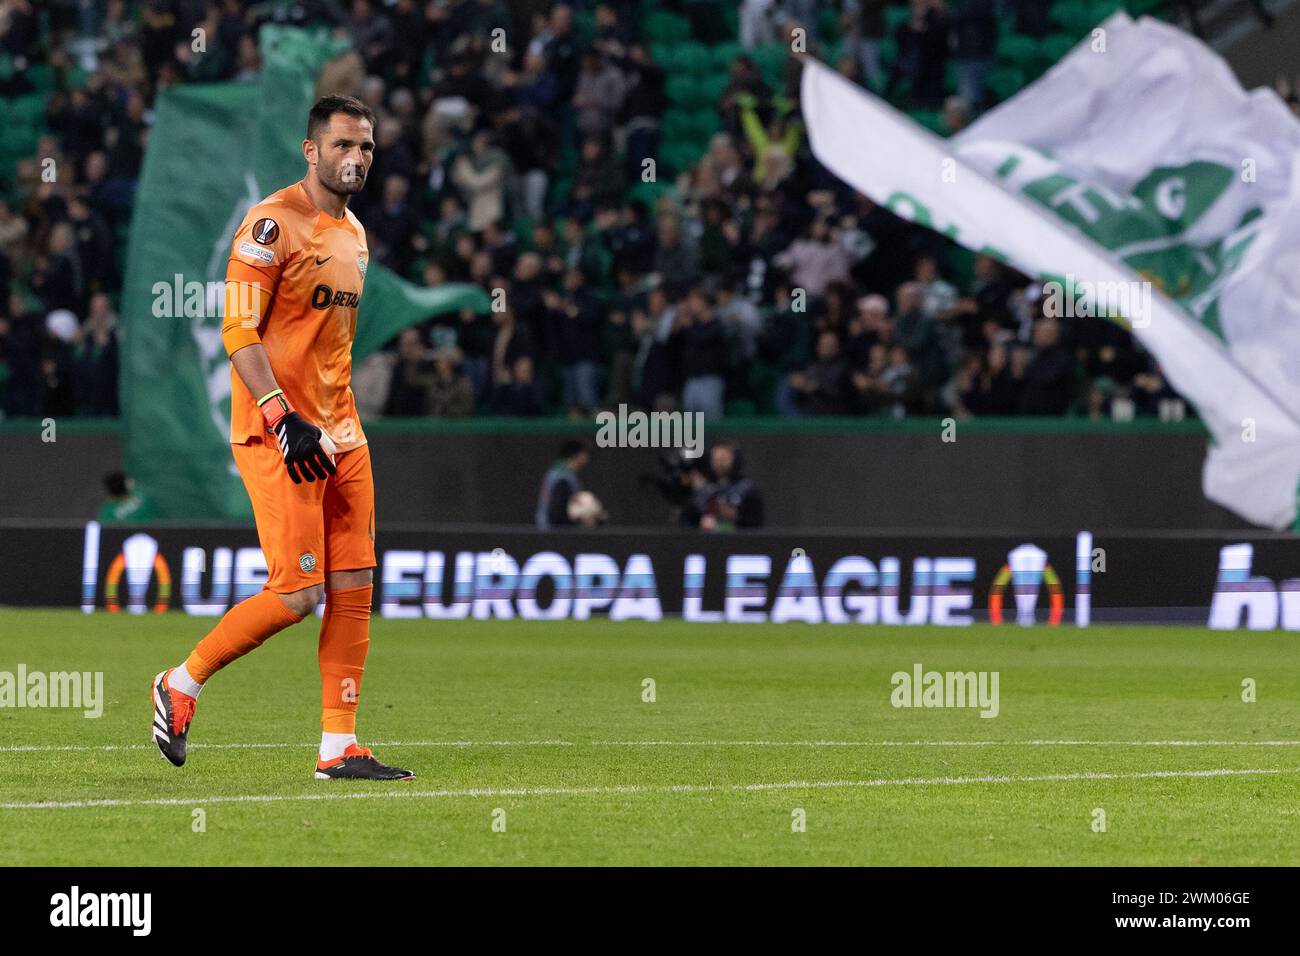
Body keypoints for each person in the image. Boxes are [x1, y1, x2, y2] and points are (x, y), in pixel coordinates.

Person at [150, 96, 412, 782]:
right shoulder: (271, 223)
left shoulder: (355, 234)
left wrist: (329, 421)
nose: (355, 159)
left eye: (366, 148)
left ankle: (338, 746)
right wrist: (279, 412)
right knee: (297, 595)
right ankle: (180, 683)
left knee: (354, 584)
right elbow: (236, 329)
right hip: (280, 434)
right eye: (343, 146)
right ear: (310, 149)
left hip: (341, 433)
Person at [682, 442, 765, 531]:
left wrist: (735, 516)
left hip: (738, 539)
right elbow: (688, 518)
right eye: (716, 459)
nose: (720, 464)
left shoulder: (747, 487)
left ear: (733, 459)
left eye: (724, 459)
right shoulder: (702, 487)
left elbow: (757, 522)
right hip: (704, 540)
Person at [536, 438, 591, 529]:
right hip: (554, 534)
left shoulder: (557, 472)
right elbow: (557, 513)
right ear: (577, 455)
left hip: (549, 531)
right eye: (584, 454)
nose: (587, 458)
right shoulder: (562, 478)